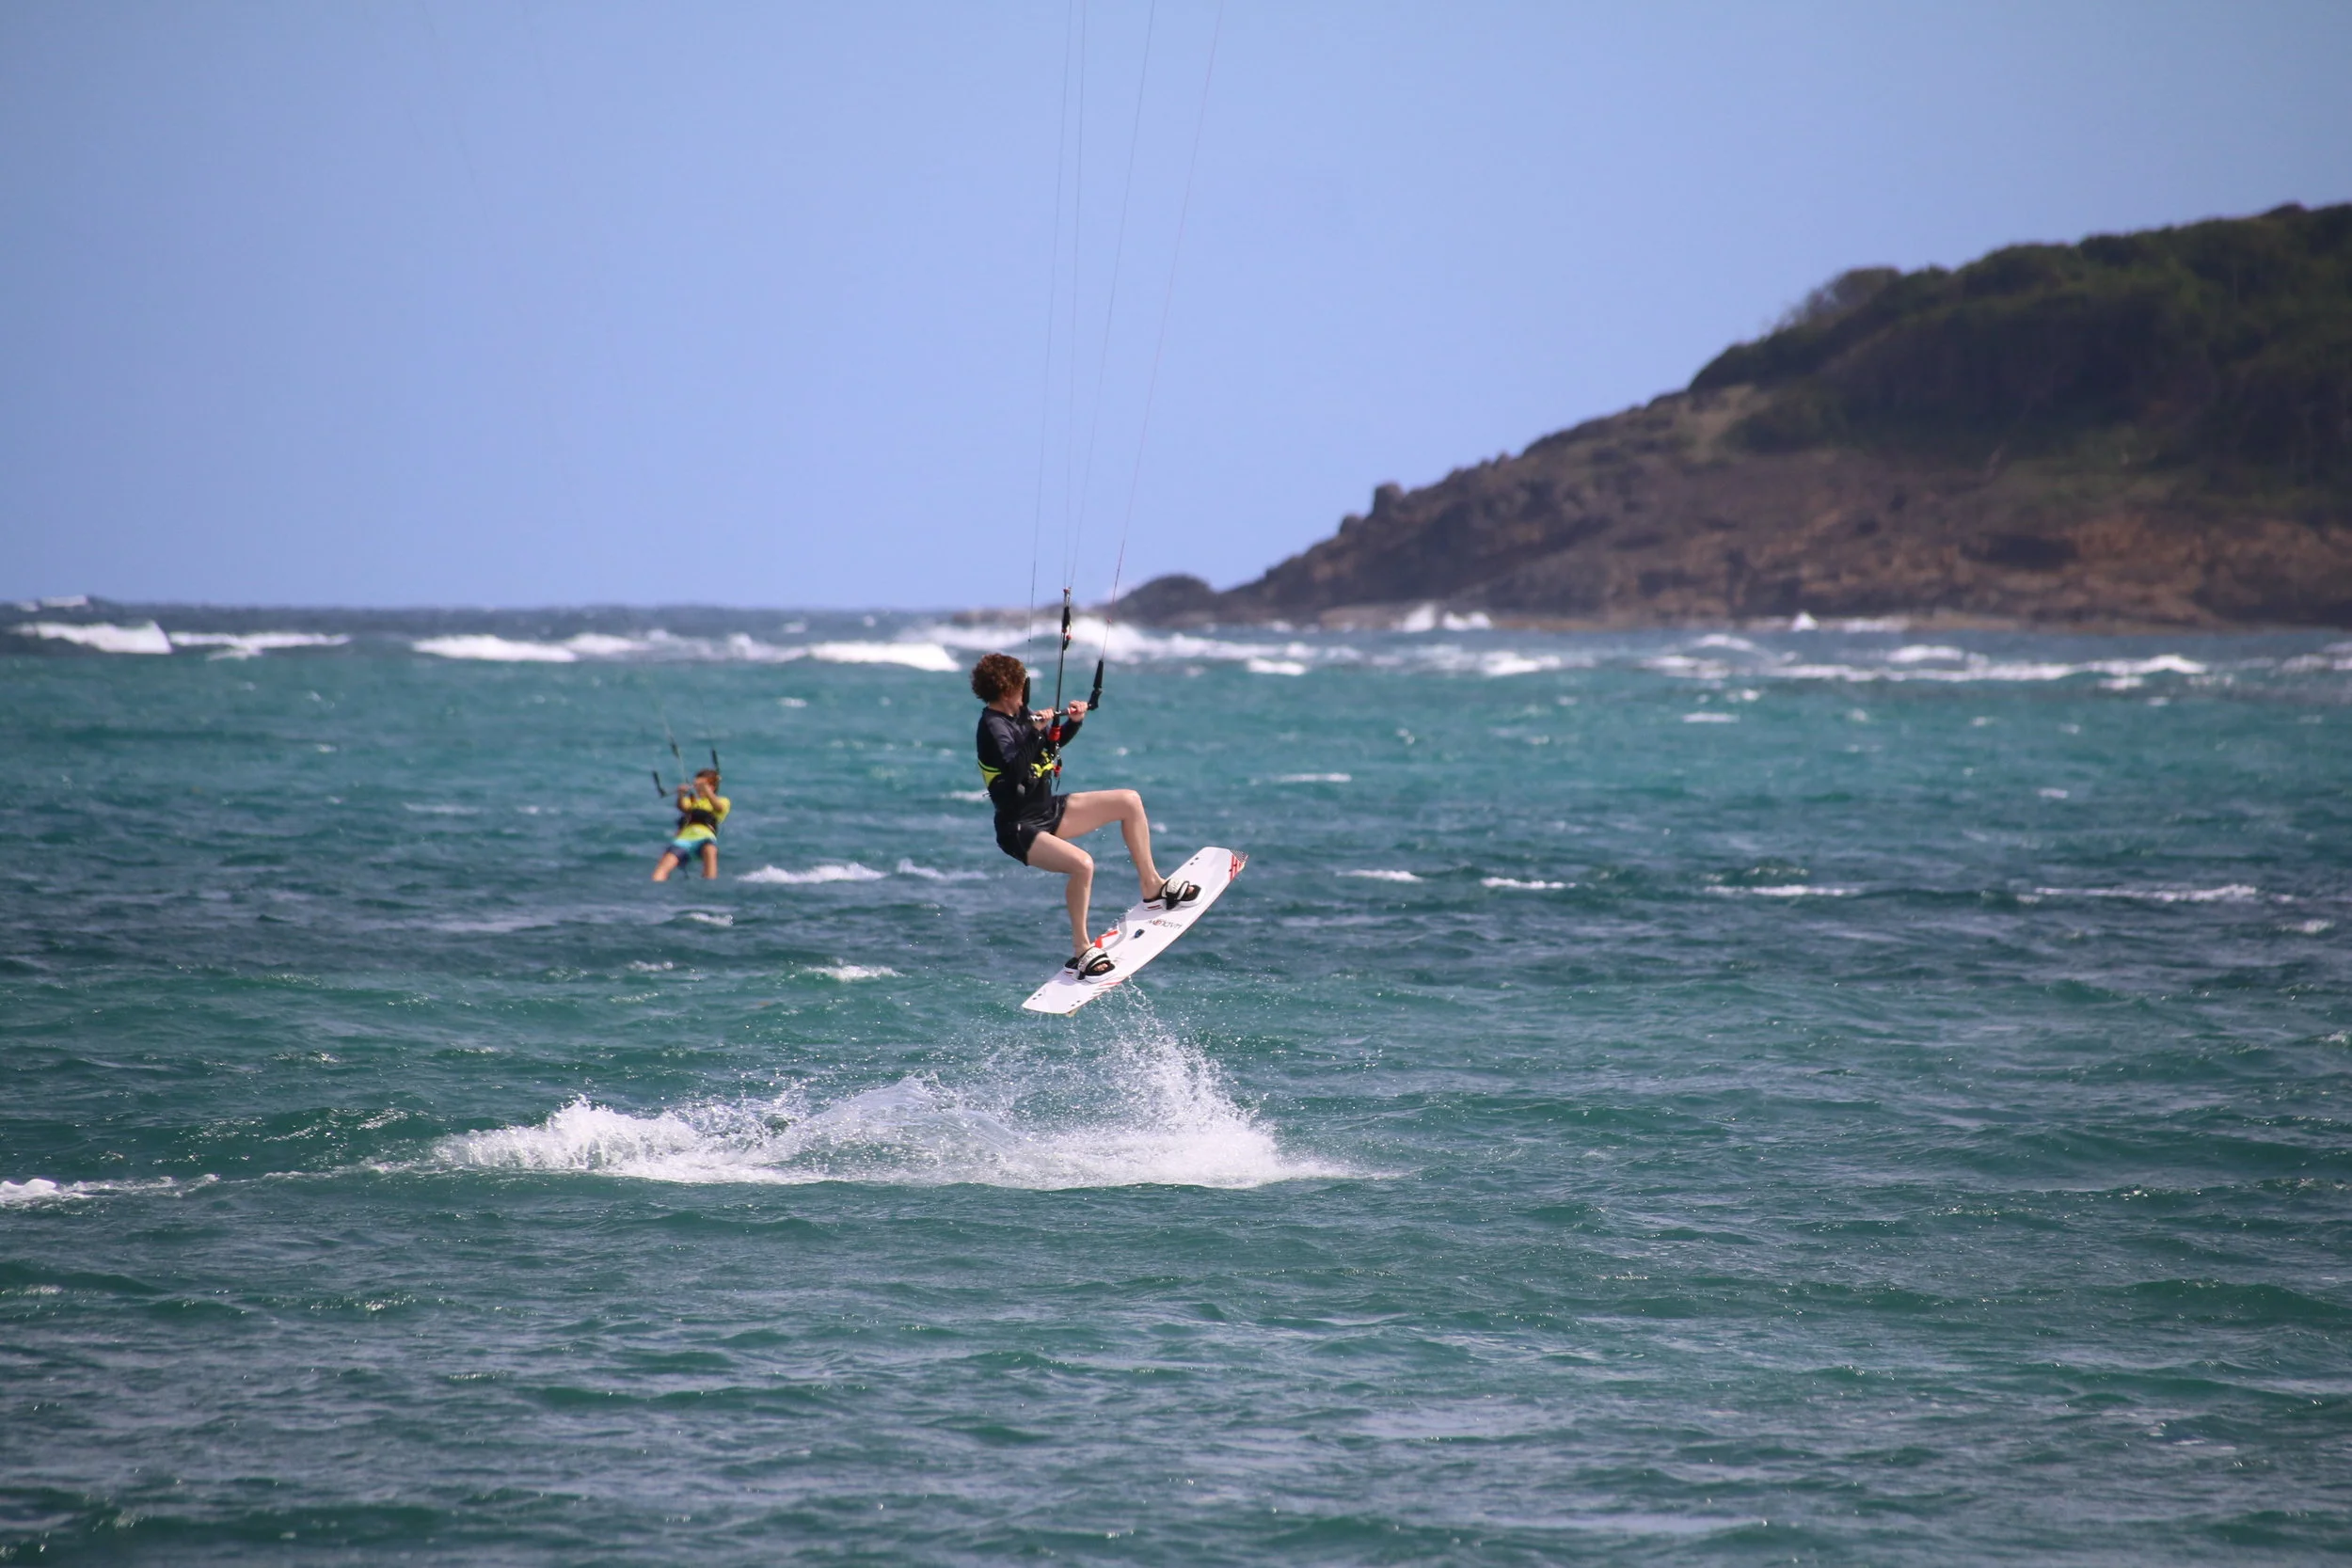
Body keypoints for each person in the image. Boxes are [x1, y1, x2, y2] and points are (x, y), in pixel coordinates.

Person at [971, 651, 1196, 977]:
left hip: (1047, 810)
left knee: (1129, 801)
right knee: (1083, 865)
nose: (1025, 692)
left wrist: (1072, 724)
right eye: (1022, 686)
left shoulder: (1019, 712)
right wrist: (1037, 731)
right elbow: (1017, 770)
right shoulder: (992, 727)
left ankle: (1152, 885)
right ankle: (1082, 950)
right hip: (1018, 828)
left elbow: (1046, 752)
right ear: (1009, 690)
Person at [652, 768, 728, 881]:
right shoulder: (692, 802)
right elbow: (682, 807)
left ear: (712, 787)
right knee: (664, 865)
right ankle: (656, 884)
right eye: (696, 785)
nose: (697, 788)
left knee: (710, 850)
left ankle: (710, 882)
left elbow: (719, 808)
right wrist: (681, 794)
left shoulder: (722, 800)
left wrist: (706, 790)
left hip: (705, 838)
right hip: (685, 839)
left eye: (701, 785)